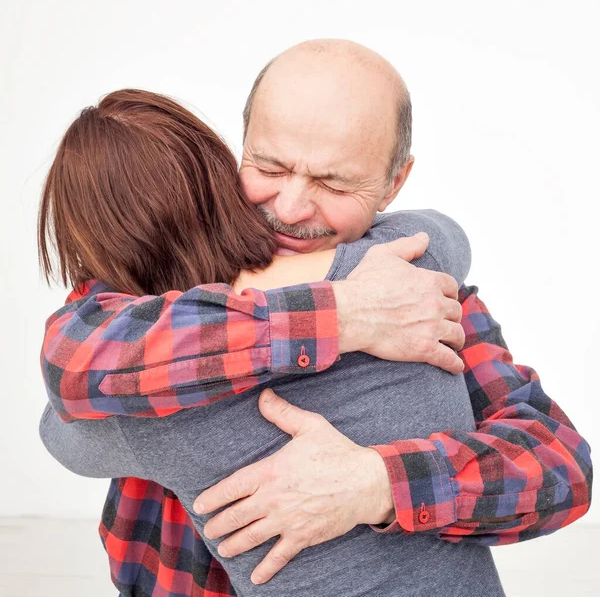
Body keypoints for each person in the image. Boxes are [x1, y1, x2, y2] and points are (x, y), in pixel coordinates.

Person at [38, 39, 591, 596]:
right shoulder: (158, 270)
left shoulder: (422, 294)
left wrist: (375, 484)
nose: (290, 209)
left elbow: (562, 469)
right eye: (269, 166)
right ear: (242, 145)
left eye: (333, 183)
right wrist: (342, 313)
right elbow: (72, 365)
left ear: (393, 184)